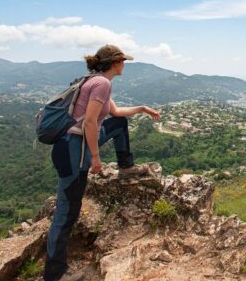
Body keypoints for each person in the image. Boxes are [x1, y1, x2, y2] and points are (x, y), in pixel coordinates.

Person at [43, 44, 161, 281]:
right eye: (123, 61)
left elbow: (115, 115)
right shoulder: (101, 83)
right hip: (72, 149)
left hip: (78, 144)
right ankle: (54, 274)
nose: (125, 65)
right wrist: (96, 158)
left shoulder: (98, 81)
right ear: (116, 62)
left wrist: (142, 109)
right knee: (67, 211)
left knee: (119, 125)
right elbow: (89, 122)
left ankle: (126, 167)